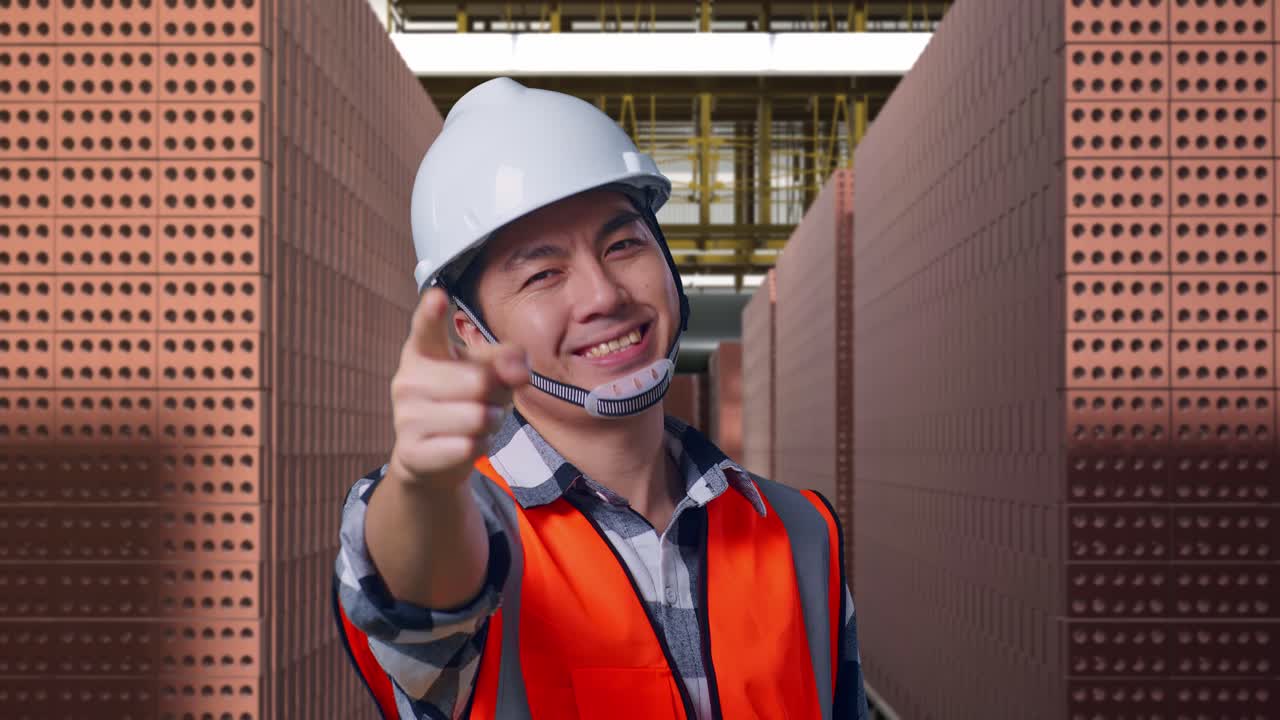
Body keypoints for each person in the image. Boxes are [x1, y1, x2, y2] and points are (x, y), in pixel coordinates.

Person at [332, 77, 869, 720]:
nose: (605, 295)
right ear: (473, 333)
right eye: (543, 274)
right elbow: (419, 585)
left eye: (623, 244)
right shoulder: (464, 524)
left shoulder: (802, 532)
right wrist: (422, 482)